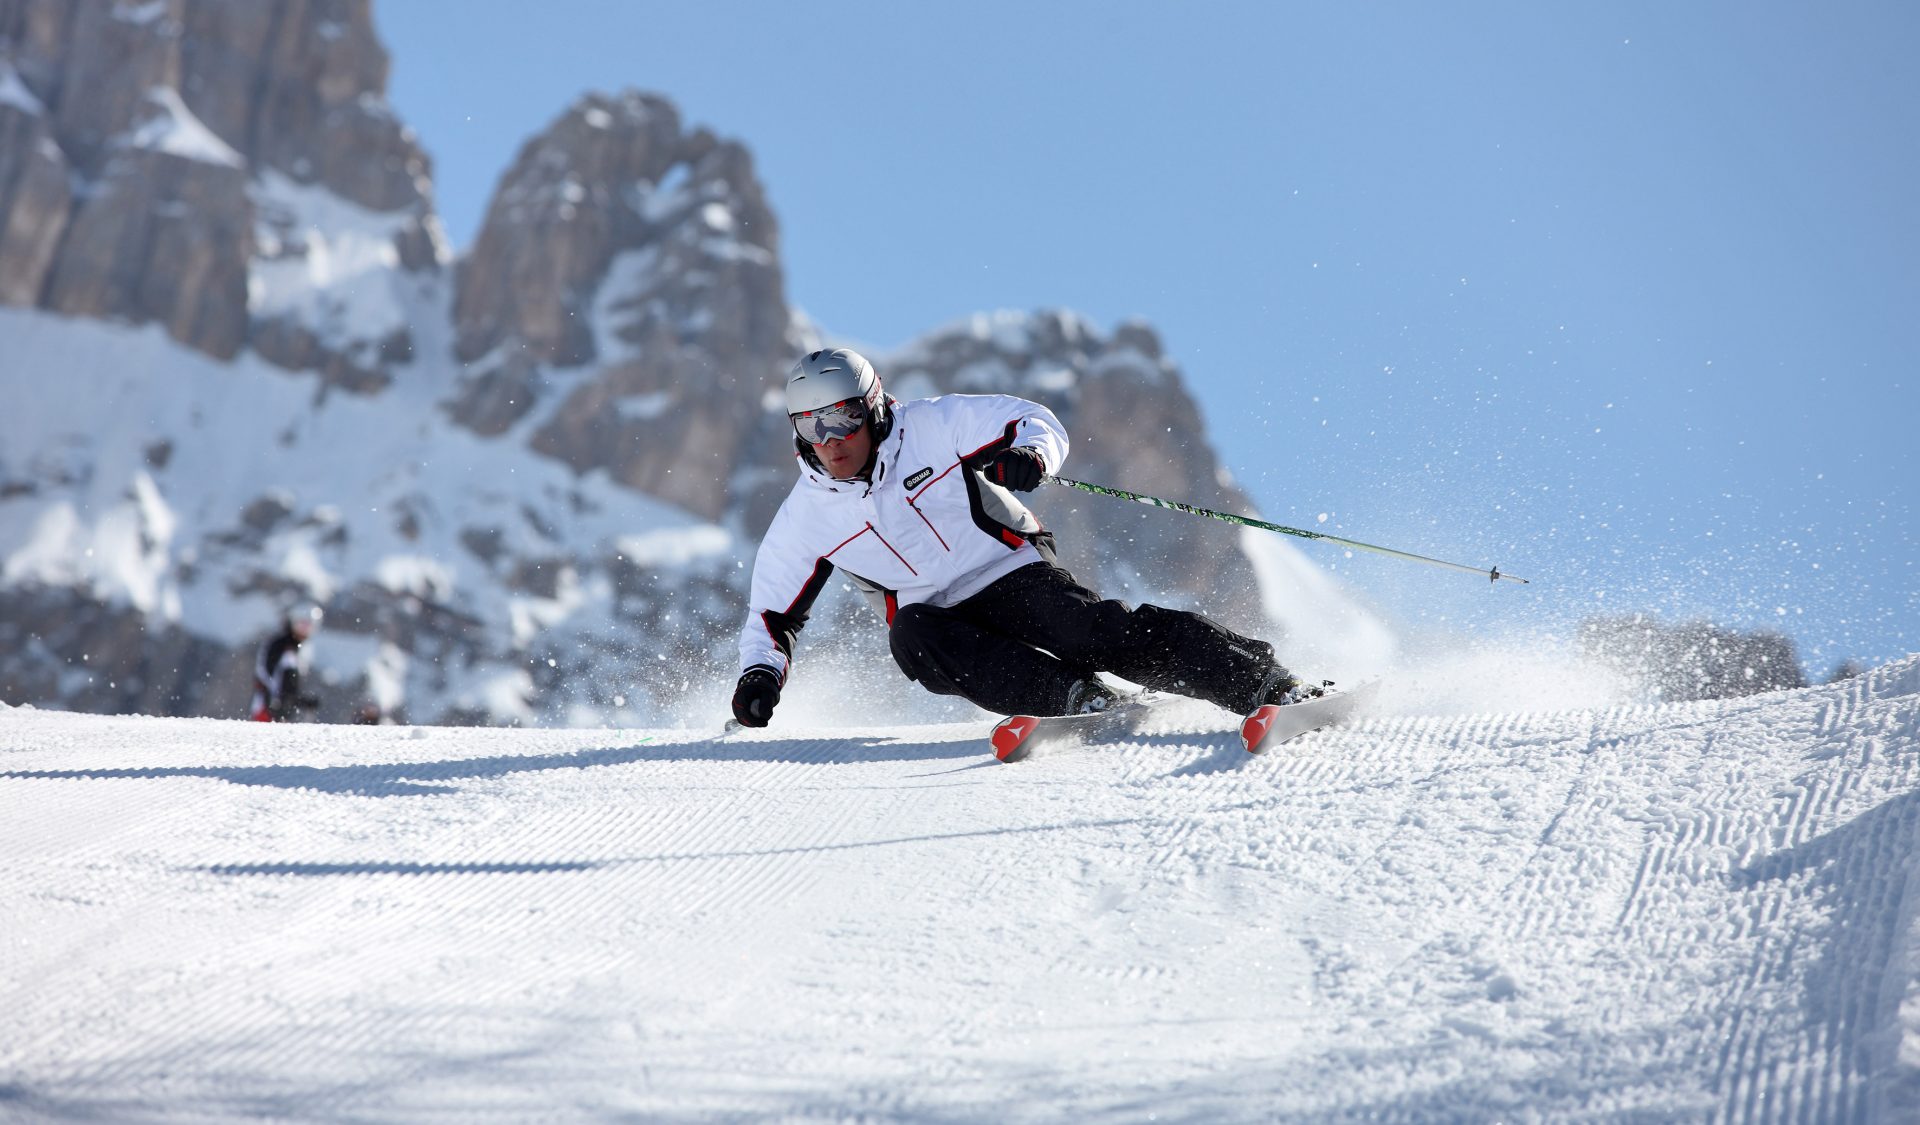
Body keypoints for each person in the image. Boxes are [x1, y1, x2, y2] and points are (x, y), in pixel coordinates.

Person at [730, 348, 1316, 729]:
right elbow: (771, 617)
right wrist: (759, 674)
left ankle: (1261, 682)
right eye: (811, 425)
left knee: (1087, 632)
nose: (830, 439)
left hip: (1006, 568)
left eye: (842, 418)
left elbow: (1032, 420)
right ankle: (1075, 699)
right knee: (910, 636)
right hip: (934, 614)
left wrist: (1031, 456)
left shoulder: (931, 426)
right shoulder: (806, 516)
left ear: (875, 407)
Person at [250, 604, 322, 722]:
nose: (305, 630)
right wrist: (302, 701)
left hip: (275, 711)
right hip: (268, 712)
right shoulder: (282, 647)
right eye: (302, 624)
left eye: (310, 626)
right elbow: (274, 682)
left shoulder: (293, 648)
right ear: (293, 622)